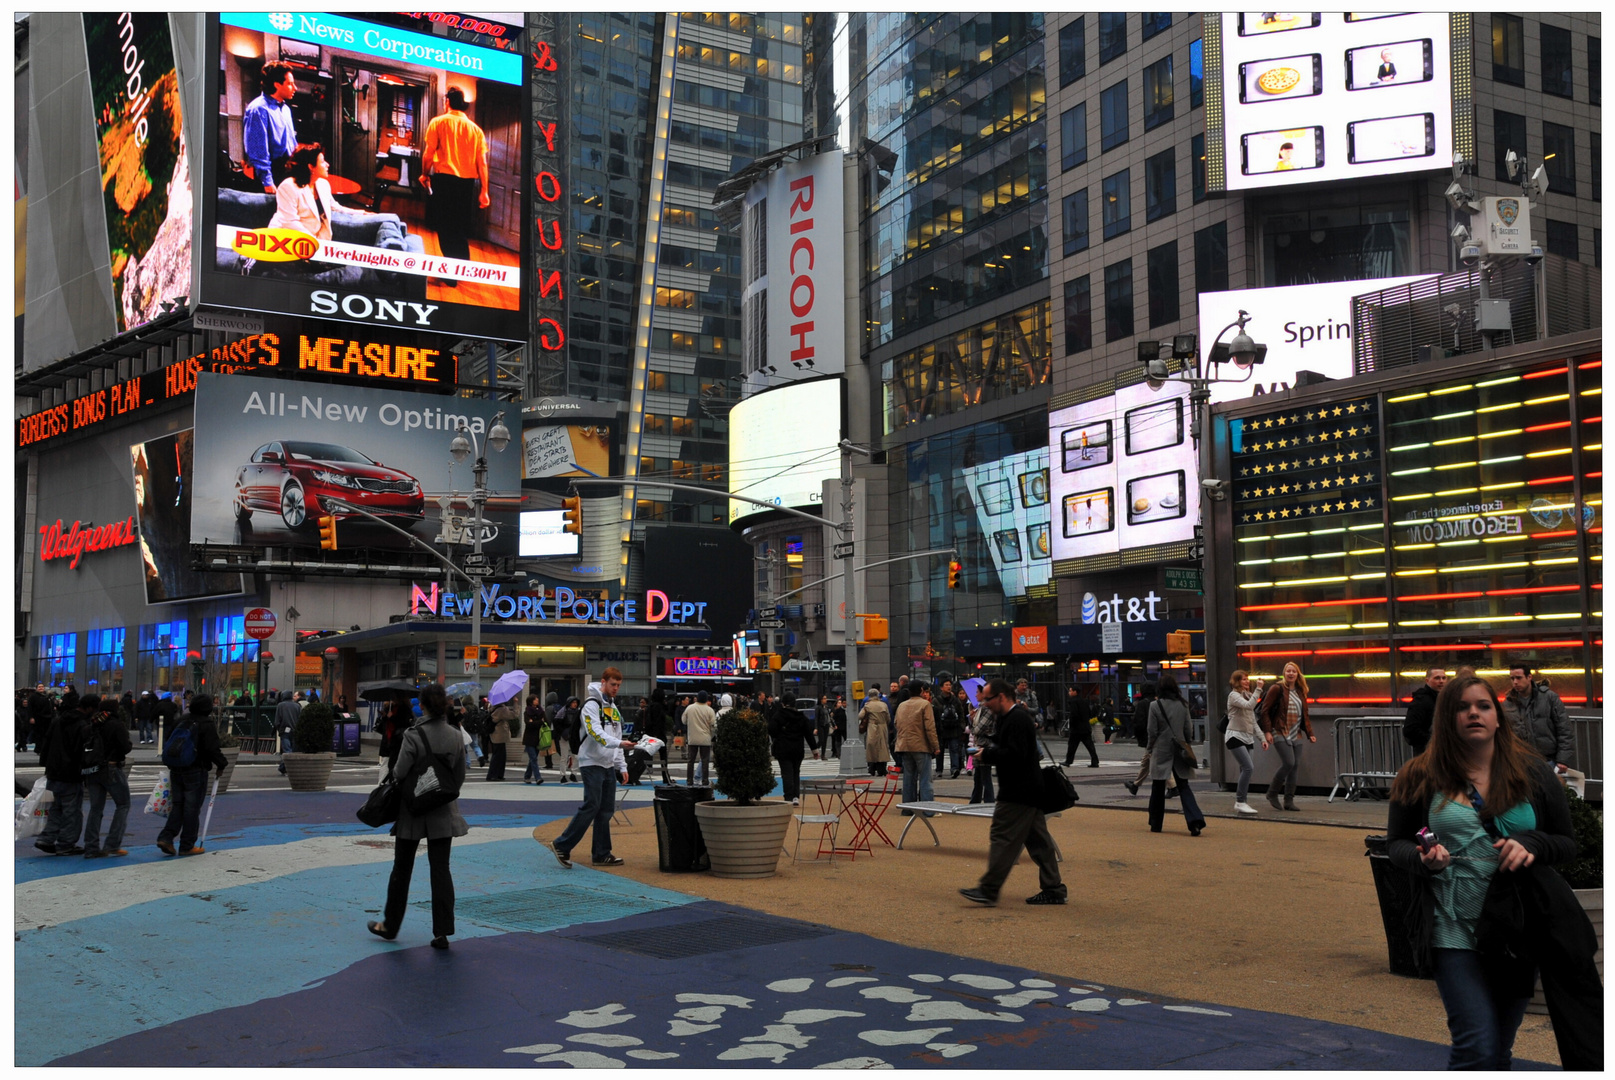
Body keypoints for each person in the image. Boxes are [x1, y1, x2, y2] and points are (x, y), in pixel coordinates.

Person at [1387, 675, 1602, 1071]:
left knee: (1499, 1048)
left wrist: (1533, 844)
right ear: (1446, 719)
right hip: (1452, 928)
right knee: (1477, 1048)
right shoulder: (1419, 775)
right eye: (1462, 707)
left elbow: (1566, 843)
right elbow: (1396, 842)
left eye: (1483, 706)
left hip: (1516, 928)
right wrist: (1422, 860)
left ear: (1498, 717)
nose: (1473, 713)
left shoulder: (1533, 773)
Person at [368, 683, 467, 951]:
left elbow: (399, 773)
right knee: (441, 869)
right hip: (443, 811)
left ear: (421, 705)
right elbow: (458, 778)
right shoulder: (455, 736)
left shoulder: (414, 735)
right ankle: (442, 932)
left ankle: (390, 924)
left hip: (413, 809)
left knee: (402, 869)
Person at [959, 678, 1066, 906]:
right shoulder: (1012, 717)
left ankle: (989, 889)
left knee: (1002, 836)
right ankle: (1054, 888)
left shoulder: (1015, 719)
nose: (984, 703)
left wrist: (986, 754)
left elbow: (1014, 755)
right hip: (1029, 788)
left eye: (988, 699)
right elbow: (1015, 749)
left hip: (1018, 790)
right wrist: (990, 747)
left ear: (1001, 697)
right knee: (1038, 841)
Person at [546, 668, 635, 868]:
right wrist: (619, 746)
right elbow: (595, 732)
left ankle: (601, 853)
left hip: (607, 764)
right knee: (592, 806)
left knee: (605, 810)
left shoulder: (612, 707)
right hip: (591, 762)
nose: (616, 689)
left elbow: (617, 734)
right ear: (603, 682)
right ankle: (562, 844)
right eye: (613, 684)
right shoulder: (591, 705)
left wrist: (621, 766)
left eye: (618, 685)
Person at [419, 87, 490, 275]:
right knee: (458, 224)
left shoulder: (438, 122)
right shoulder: (476, 130)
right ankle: (461, 263)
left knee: (444, 225)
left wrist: (425, 174)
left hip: (444, 181)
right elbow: (482, 164)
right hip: (467, 185)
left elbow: (428, 154)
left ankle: (452, 271)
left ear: (447, 102)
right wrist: (484, 191)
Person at [156, 695, 229, 856]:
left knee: (178, 805)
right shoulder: (206, 724)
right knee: (192, 808)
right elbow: (212, 748)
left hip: (177, 768)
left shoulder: (182, 720)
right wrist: (222, 764)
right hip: (196, 769)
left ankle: (166, 837)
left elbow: (170, 741)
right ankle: (187, 844)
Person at [266, 143, 373, 243]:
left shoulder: (323, 184)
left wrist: (363, 213)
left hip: (313, 241)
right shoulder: (288, 186)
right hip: (286, 239)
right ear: (311, 167)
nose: (327, 164)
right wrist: (314, 243)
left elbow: (335, 207)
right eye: (322, 161)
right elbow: (289, 222)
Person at [1144, 675, 1206, 835]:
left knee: (1157, 787)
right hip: (1179, 748)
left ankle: (1156, 823)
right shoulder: (1182, 705)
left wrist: (1150, 748)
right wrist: (1186, 743)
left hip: (1161, 748)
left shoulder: (1155, 705)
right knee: (1184, 786)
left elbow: (1152, 731)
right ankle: (1195, 821)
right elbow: (1188, 729)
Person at [35, 693, 90, 855]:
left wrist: (46, 764)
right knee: (71, 809)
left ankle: (47, 837)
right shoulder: (81, 724)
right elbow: (80, 750)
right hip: (71, 772)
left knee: (57, 807)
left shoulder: (57, 721)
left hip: (54, 770)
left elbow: (46, 743)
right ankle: (66, 843)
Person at [83, 696, 133, 858]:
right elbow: (125, 747)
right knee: (123, 804)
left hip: (92, 769)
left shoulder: (92, 724)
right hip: (111, 767)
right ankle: (112, 844)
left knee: (95, 808)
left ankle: (91, 847)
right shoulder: (116, 725)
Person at [1259, 662, 1314, 811]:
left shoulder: (1301, 691)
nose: (1290, 673)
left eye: (1293, 671)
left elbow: (1305, 715)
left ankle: (1289, 800)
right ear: (1284, 673)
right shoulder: (1277, 688)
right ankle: (1272, 793)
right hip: (1279, 730)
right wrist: (1267, 731)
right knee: (1289, 762)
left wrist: (1310, 733)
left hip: (1296, 732)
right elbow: (1264, 711)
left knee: (1295, 767)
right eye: (1288, 671)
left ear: (1297, 675)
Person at [1502, 665, 1573, 768]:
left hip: (1548, 760)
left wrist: (1563, 759)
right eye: (1512, 679)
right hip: (1521, 762)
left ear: (1529, 677)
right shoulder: (1508, 703)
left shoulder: (1548, 698)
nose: (1515, 682)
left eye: (1519, 678)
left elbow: (1564, 729)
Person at [242, 61, 298, 193]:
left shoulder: (285, 109)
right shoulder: (258, 110)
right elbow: (258, 150)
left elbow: (291, 142)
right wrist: (267, 181)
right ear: (277, 84)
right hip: (271, 173)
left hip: (287, 171)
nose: (295, 88)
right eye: (290, 84)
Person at [893, 681, 940, 813]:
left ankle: (908, 808)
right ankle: (928, 809)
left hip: (904, 744)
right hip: (921, 745)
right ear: (920, 690)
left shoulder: (902, 705)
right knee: (925, 778)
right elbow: (930, 727)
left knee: (909, 778)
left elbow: (896, 723)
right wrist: (935, 745)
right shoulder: (925, 704)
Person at [1225, 670, 1267, 815]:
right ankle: (1240, 801)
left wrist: (1262, 738)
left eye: (1247, 679)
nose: (1247, 682)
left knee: (1246, 770)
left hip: (1248, 737)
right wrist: (1259, 689)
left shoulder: (1248, 696)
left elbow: (1252, 721)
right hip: (1234, 736)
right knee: (1248, 767)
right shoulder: (1233, 696)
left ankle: (1242, 801)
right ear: (1236, 681)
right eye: (1243, 679)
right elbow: (1249, 706)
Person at [768, 699, 818, 805]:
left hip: (783, 748)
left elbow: (771, 730)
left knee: (786, 774)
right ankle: (796, 796)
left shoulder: (778, 715)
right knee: (796, 772)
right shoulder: (801, 717)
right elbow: (808, 734)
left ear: (783, 704)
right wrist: (814, 750)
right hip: (797, 748)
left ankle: (788, 797)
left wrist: (780, 734)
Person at [967, 692, 996, 805]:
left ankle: (989, 800)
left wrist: (974, 723)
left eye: (978, 692)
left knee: (985, 774)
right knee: (978, 774)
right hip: (979, 743)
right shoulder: (980, 708)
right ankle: (976, 799)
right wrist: (972, 719)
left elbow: (978, 729)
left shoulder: (987, 709)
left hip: (985, 744)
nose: (975, 695)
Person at [934, 677, 966, 778]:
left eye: (949, 685)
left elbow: (961, 713)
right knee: (940, 751)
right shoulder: (936, 700)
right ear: (941, 688)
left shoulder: (955, 700)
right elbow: (934, 715)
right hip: (941, 729)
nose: (948, 687)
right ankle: (939, 770)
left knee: (954, 749)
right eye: (946, 685)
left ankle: (954, 769)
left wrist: (961, 727)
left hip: (954, 729)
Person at [683, 690, 716, 785]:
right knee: (705, 761)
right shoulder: (709, 710)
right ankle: (705, 780)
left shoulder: (690, 708)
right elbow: (713, 725)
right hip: (705, 738)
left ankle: (689, 780)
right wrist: (711, 736)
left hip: (692, 738)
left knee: (691, 761)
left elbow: (684, 721)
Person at [1063, 686, 1099, 768]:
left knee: (1072, 745)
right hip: (1085, 727)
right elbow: (1090, 713)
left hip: (1076, 728)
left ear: (1075, 692)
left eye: (1070, 691)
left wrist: (1071, 725)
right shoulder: (1084, 701)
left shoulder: (1073, 701)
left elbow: (1074, 714)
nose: (1069, 692)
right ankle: (1095, 761)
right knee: (1090, 746)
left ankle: (1068, 761)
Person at [858, 690, 892, 778]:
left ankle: (872, 768)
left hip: (872, 726)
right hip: (883, 726)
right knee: (883, 747)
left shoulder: (867, 705)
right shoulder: (884, 705)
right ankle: (882, 768)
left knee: (871, 747)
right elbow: (888, 718)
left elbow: (860, 716)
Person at [641, 688, 671, 784]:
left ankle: (638, 771)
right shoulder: (659, 707)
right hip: (659, 734)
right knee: (663, 757)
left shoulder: (650, 706)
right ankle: (666, 777)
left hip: (650, 734)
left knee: (647, 755)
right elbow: (659, 721)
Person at [485, 696, 513, 781]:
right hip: (500, 734)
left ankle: (498, 774)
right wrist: (515, 704)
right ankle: (493, 775)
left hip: (495, 734)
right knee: (498, 755)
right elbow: (513, 715)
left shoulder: (492, 707)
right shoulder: (501, 709)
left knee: (500, 755)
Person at [522, 694, 547, 785]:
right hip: (529, 738)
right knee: (533, 758)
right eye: (535, 699)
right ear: (531, 701)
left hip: (539, 737)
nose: (537, 700)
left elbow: (546, 722)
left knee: (533, 758)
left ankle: (527, 776)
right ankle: (538, 777)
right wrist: (540, 722)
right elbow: (528, 724)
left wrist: (535, 722)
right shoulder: (527, 712)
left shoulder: (541, 711)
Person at [274, 689, 300, 776]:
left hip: (284, 730)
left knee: (287, 750)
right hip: (295, 730)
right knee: (291, 749)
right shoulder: (297, 706)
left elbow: (277, 720)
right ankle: (283, 767)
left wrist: (279, 729)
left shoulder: (280, 705)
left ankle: (285, 767)